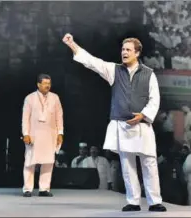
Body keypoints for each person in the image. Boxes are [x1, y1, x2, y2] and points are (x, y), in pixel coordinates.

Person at [62, 33, 166, 212]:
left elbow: (154, 100)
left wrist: (142, 115)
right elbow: (92, 62)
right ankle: (133, 201)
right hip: (122, 124)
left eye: (128, 50)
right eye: (123, 49)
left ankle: (154, 201)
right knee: (127, 164)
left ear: (137, 53)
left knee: (149, 163)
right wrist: (72, 45)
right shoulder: (114, 70)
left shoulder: (149, 74)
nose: (124, 52)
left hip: (142, 125)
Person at [21, 74, 64, 197]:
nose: (47, 86)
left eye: (49, 84)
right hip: (34, 134)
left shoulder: (55, 98)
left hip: (50, 134)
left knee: (48, 162)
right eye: (45, 83)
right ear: (38, 84)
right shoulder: (30, 98)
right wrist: (26, 134)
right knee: (30, 161)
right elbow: (25, 118)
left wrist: (60, 133)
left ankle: (44, 189)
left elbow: (59, 117)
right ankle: (27, 189)